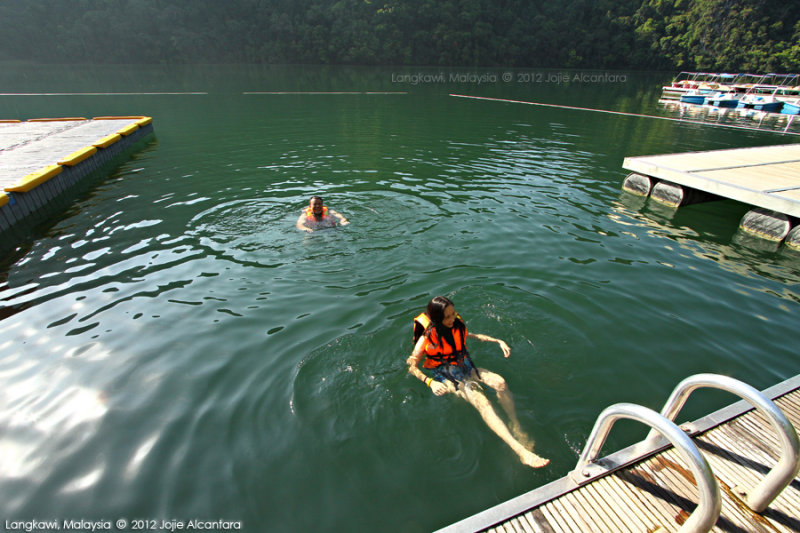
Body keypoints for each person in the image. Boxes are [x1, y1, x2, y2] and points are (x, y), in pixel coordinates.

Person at [407, 296, 549, 469]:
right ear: (437, 319)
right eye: (447, 317)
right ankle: (520, 451)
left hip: (464, 366)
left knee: (500, 383)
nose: (453, 319)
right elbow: (411, 366)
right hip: (445, 375)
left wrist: (498, 341)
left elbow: (474, 336)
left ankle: (516, 425)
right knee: (483, 401)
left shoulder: (456, 326)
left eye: (453, 313)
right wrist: (430, 382)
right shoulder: (426, 339)